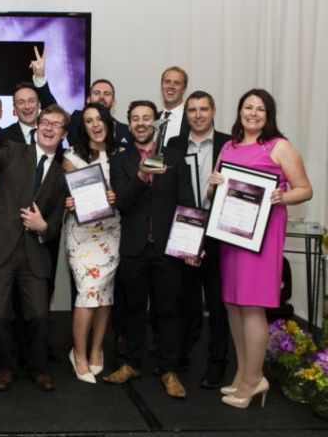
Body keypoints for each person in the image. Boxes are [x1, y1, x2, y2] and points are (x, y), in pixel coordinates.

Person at [208, 89, 311, 408]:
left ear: (269, 115)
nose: (252, 113)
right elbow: (214, 194)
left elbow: (304, 189)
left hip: (262, 238)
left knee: (252, 307)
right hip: (232, 235)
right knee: (233, 304)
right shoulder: (229, 145)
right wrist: (213, 186)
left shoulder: (279, 146)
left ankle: (255, 380)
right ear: (239, 111)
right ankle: (243, 373)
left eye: (260, 109)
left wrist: (281, 196)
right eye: (248, 107)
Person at [0, 105, 68, 392]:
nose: (48, 128)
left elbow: (56, 223)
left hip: (33, 252)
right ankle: (8, 366)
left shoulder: (63, 175)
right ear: (37, 126)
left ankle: (37, 368)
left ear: (63, 134)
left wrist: (43, 226)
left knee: (38, 315)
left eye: (56, 125)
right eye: (45, 122)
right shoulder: (12, 150)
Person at [104, 100, 194, 399]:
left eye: (146, 117)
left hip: (168, 247)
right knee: (134, 309)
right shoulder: (120, 160)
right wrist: (142, 176)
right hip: (134, 247)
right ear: (129, 124)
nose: (141, 123)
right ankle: (132, 364)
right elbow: (123, 202)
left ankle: (169, 370)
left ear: (155, 122)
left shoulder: (175, 157)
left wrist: (191, 245)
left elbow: (186, 203)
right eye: (135, 118)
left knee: (168, 310)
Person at [166, 91, 231, 388]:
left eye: (204, 109)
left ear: (213, 111)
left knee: (217, 303)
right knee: (184, 299)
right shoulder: (174, 144)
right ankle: (181, 355)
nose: (198, 115)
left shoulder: (228, 144)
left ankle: (217, 363)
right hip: (186, 228)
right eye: (192, 110)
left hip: (217, 233)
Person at [62, 102, 121, 384]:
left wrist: (117, 195)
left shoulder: (122, 153)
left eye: (99, 119)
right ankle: (78, 353)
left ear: (107, 121)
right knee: (88, 291)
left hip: (112, 231)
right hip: (82, 234)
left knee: (105, 294)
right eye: (88, 121)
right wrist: (69, 201)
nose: (95, 125)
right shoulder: (72, 156)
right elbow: (69, 193)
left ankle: (97, 348)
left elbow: (129, 191)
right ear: (82, 127)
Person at [0, 46, 58, 145]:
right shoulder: (2, 138)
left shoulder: (52, 132)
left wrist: (40, 77)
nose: (27, 106)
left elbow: (55, 113)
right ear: (14, 107)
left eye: (31, 101)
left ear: (39, 104)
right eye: (21, 102)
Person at [67, 79, 132, 145]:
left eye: (107, 94)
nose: (101, 97)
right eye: (96, 93)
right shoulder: (75, 119)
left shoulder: (125, 130)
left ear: (113, 102)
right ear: (88, 100)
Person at [158, 66, 190, 144]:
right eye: (167, 82)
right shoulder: (153, 118)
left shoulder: (193, 119)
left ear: (184, 89)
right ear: (161, 85)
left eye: (177, 83)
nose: (171, 86)